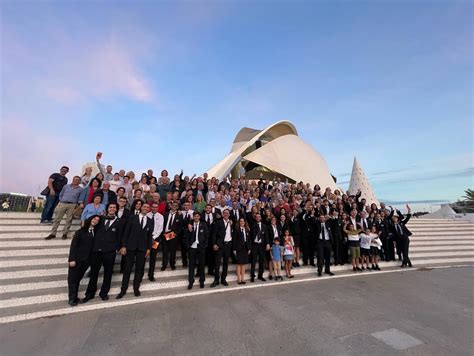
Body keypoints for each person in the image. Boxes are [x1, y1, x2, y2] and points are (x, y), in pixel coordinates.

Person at [83, 203, 122, 302]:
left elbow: (119, 237)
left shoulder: (119, 222)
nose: (112, 209)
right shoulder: (99, 219)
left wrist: (116, 247)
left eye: (114, 208)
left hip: (109, 252)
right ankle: (89, 293)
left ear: (116, 209)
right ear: (107, 209)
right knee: (94, 273)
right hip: (96, 250)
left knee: (108, 273)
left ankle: (104, 293)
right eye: (110, 207)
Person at [116, 203, 153, 299]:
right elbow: (126, 232)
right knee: (127, 269)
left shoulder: (150, 220)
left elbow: (149, 236)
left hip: (142, 248)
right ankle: (123, 290)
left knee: (139, 269)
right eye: (144, 206)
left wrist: (149, 248)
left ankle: (136, 288)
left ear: (149, 209)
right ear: (140, 208)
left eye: (147, 207)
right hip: (130, 247)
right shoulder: (132, 218)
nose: (145, 208)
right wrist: (123, 246)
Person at [67, 215, 100, 306]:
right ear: (90, 219)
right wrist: (71, 259)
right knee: (73, 279)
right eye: (94, 219)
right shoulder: (80, 232)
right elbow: (73, 246)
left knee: (77, 279)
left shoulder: (95, 232)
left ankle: (74, 296)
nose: (95, 221)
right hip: (77, 259)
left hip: (87, 260)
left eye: (97, 220)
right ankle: (72, 299)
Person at [46, 176, 83, 240]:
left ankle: (65, 233)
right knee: (57, 219)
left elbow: (80, 197)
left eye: (77, 180)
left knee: (69, 219)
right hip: (63, 203)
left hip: (72, 205)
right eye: (74, 179)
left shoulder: (80, 189)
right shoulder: (66, 186)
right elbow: (61, 194)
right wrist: (61, 200)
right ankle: (53, 233)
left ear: (79, 182)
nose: (75, 181)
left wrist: (77, 204)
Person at [184, 211, 209, 289]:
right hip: (192, 248)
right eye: (195, 216)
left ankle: (202, 281)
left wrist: (204, 245)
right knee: (191, 266)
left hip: (201, 248)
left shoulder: (203, 225)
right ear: (193, 217)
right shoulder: (189, 225)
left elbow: (207, 236)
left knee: (201, 265)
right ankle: (191, 281)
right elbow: (185, 237)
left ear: (199, 217)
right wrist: (188, 246)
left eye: (198, 216)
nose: (196, 217)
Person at [211, 209, 233, 287]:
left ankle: (223, 279)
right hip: (220, 245)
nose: (226, 214)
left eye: (227, 213)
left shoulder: (231, 222)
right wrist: (214, 244)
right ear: (223, 214)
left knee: (226, 263)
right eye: (225, 213)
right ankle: (216, 280)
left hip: (228, 245)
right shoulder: (218, 222)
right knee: (217, 263)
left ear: (229, 214)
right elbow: (214, 234)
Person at [161, 202, 183, 271]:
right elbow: (162, 224)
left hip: (173, 235)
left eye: (176, 206)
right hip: (165, 234)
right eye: (173, 205)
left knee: (173, 251)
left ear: (177, 207)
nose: (174, 206)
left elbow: (181, 226)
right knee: (165, 251)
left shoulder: (180, 215)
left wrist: (176, 234)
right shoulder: (165, 214)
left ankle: (172, 264)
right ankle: (164, 264)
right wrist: (163, 233)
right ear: (171, 206)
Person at [250, 213, 270, 282]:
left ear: (261, 218)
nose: (258, 218)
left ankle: (260, 276)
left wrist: (267, 244)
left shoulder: (264, 226)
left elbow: (266, 236)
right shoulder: (253, 225)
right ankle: (252, 276)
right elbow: (251, 236)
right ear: (255, 218)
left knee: (262, 261)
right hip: (255, 245)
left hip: (262, 245)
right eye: (257, 217)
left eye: (259, 217)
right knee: (253, 261)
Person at [147, 203, 164, 281]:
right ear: (151, 207)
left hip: (155, 239)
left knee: (153, 256)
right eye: (153, 207)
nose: (154, 208)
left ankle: (151, 274)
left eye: (156, 207)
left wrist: (153, 237)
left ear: (158, 208)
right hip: (146, 239)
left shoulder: (160, 216)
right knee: (144, 255)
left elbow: (160, 229)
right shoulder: (147, 215)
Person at [232, 217, 251, 284]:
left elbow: (249, 240)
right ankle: (239, 279)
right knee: (239, 264)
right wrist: (234, 249)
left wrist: (249, 248)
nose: (242, 222)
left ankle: (243, 279)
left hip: (245, 248)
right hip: (238, 248)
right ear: (239, 222)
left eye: (243, 221)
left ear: (245, 222)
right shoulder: (236, 229)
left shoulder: (247, 229)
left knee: (243, 264)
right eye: (240, 221)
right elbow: (234, 240)